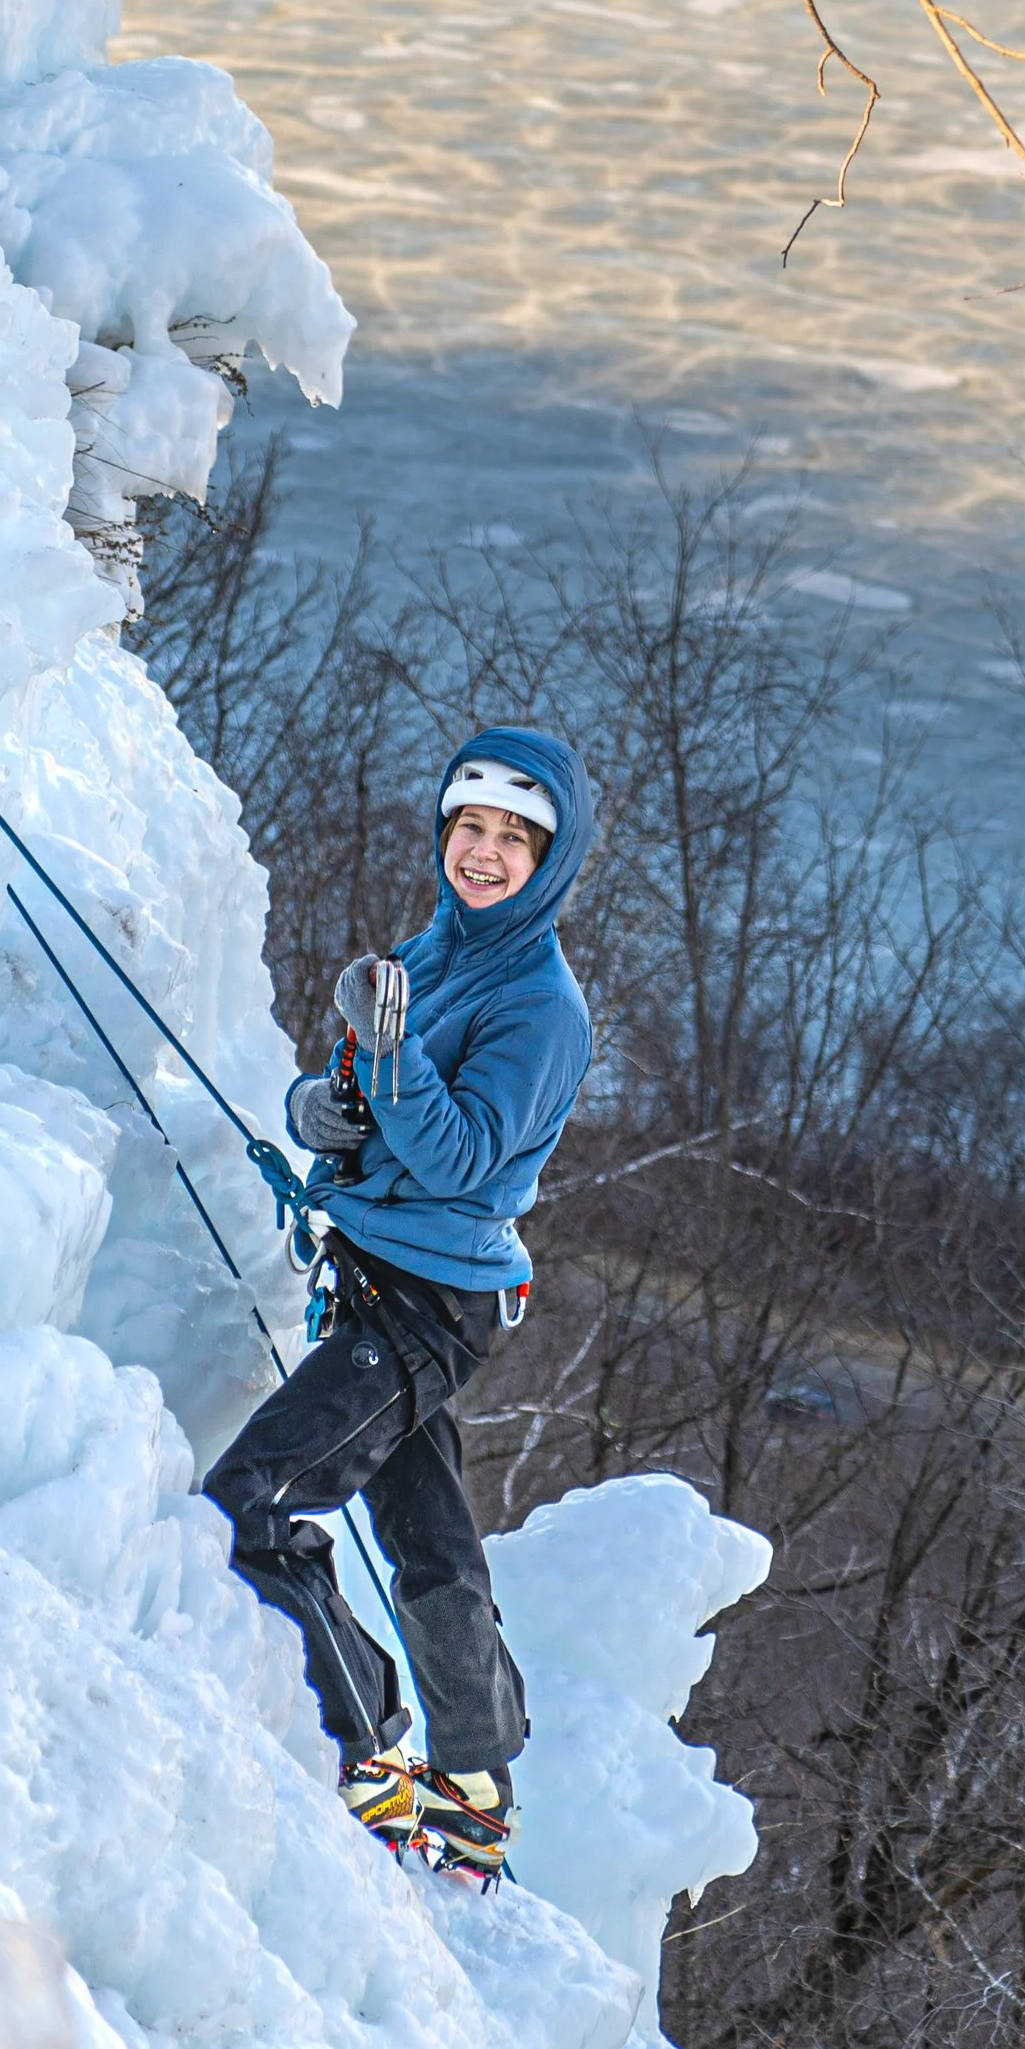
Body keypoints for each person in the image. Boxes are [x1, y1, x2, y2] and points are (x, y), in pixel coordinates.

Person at [205, 724, 592, 1885]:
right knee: (427, 1543)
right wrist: (319, 1101)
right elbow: (356, 1097)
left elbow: (463, 1155)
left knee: (252, 1498)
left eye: (512, 837)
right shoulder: (440, 950)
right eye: (468, 826)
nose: (481, 851)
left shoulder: (542, 1006)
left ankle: (364, 1742)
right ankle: (475, 1775)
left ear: (550, 857)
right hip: (391, 1279)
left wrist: (383, 1058)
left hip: (424, 1303)